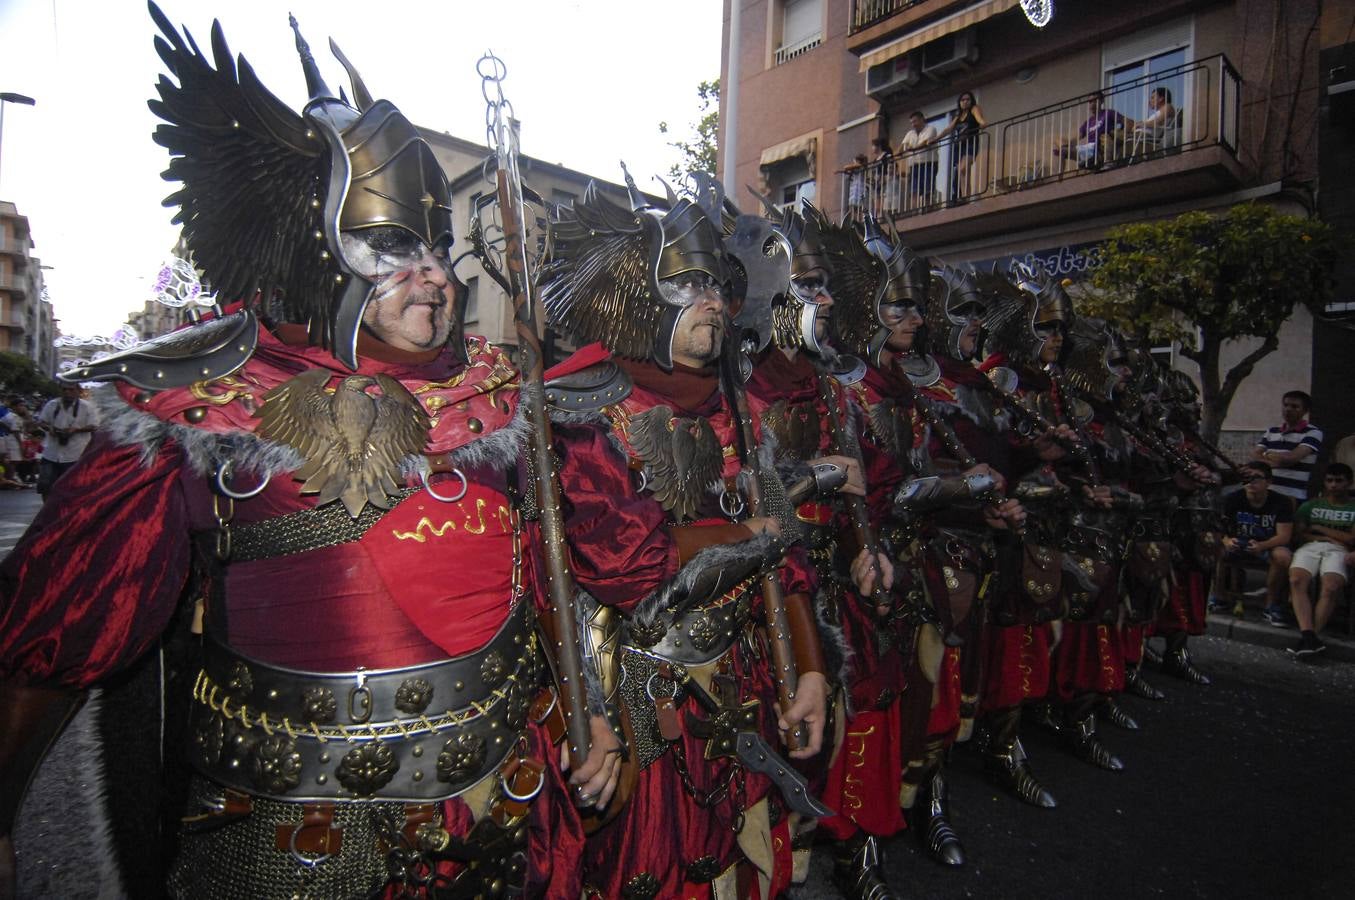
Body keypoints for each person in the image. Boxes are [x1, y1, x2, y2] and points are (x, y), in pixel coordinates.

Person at [1, 9, 655, 897]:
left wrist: (598, 720)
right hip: (285, 831)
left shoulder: (506, 392)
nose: (433, 273)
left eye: (436, 247)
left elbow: (549, 576)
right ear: (315, 246)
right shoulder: (201, 404)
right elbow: (64, 629)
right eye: (392, 246)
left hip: (503, 807)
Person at [541, 183, 835, 898]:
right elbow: (626, 565)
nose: (712, 301)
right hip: (637, 693)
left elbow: (785, 552)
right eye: (687, 284)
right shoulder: (580, 406)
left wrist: (809, 671)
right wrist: (745, 534)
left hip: (746, 675)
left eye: (715, 285)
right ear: (642, 296)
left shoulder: (740, 405)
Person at [1210, 461, 1294, 622]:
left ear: (1269, 482)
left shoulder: (1281, 502)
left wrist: (1262, 545)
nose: (1251, 482)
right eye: (1247, 477)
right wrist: (1227, 540)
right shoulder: (1232, 499)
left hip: (1268, 544)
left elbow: (1284, 536)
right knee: (1215, 547)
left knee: (1283, 556)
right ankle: (1219, 597)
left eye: (1257, 478)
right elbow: (1218, 528)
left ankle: (1270, 605)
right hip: (1238, 542)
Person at [1287, 462, 1355, 658]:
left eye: (1339, 481)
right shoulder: (1310, 505)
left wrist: (1320, 528)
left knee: (1331, 586)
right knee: (1296, 580)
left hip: (1340, 551)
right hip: (1311, 546)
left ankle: (1310, 637)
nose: (1333, 485)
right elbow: (1300, 535)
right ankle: (1309, 637)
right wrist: (1326, 537)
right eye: (1330, 480)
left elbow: (1351, 539)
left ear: (1349, 483)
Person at [1252, 390, 1322, 502]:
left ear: (1305, 411)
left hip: (1292, 496)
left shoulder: (1313, 433)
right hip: (1267, 495)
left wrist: (1267, 456)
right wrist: (1278, 461)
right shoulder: (1272, 431)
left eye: (1295, 406)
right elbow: (1255, 456)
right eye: (1285, 405)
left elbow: (1291, 458)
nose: (1288, 409)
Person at [34, 384, 98, 498]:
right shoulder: (52, 404)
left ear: (79, 391)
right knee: (45, 485)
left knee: (73, 487)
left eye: (71, 390)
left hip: (75, 453)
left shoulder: (87, 407)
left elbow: (94, 425)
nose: (67, 392)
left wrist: (76, 430)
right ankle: (47, 512)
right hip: (52, 452)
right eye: (64, 390)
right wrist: (50, 429)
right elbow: (41, 421)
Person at [1055, 91, 1127, 168]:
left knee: (1105, 136)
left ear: (1101, 101)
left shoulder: (1109, 113)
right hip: (1089, 149)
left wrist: (1134, 126)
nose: (1092, 104)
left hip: (1101, 147)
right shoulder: (1088, 122)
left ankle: (1108, 163)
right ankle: (1060, 177)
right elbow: (1076, 138)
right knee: (1061, 145)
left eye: (1095, 100)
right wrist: (1065, 145)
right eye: (1090, 102)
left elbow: (1126, 121)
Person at [937, 91, 985, 202]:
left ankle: (966, 196)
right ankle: (965, 196)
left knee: (963, 168)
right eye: (962, 100)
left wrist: (983, 123)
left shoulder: (974, 109)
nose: (965, 102)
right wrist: (936, 139)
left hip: (971, 143)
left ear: (971, 100)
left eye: (967, 99)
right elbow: (948, 129)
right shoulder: (958, 115)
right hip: (959, 145)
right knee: (961, 171)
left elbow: (979, 119)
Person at [898, 110, 939, 210]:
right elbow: (902, 147)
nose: (913, 124)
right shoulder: (910, 133)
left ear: (922, 119)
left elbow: (925, 143)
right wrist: (902, 150)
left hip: (928, 163)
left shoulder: (930, 129)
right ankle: (915, 212)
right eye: (911, 122)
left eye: (915, 121)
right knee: (913, 190)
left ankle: (928, 210)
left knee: (927, 190)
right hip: (914, 165)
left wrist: (913, 148)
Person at [1131, 86, 1178, 154]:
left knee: (1117, 138)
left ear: (1161, 98)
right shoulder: (1159, 111)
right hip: (1140, 135)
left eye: (1153, 97)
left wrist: (1140, 124)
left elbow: (1157, 122)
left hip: (1146, 136)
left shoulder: (1168, 107)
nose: (1150, 100)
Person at [871, 137, 900, 216]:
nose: (872, 148)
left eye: (873, 145)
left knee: (884, 202)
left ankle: (883, 218)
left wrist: (885, 178)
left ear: (879, 146)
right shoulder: (875, 160)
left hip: (886, 182)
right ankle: (878, 219)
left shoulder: (887, 156)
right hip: (877, 183)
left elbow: (893, 167)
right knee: (877, 205)